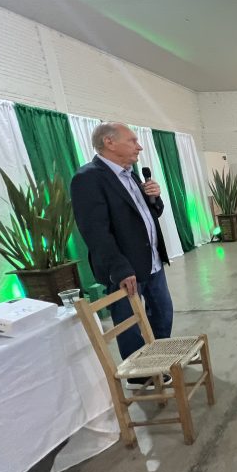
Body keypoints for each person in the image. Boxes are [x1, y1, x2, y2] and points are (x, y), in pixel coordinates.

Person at [71, 122, 172, 387]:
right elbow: (95, 231)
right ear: (109, 142)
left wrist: (155, 197)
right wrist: (120, 268)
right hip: (125, 268)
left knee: (162, 313)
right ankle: (139, 374)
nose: (139, 147)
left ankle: (157, 362)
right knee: (129, 324)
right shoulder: (88, 178)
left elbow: (148, 214)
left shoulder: (132, 175)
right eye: (132, 141)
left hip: (151, 261)